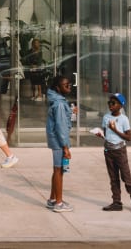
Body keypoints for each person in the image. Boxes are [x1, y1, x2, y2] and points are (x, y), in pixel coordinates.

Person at [100, 92, 131, 213]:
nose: (110, 105)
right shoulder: (106, 117)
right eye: (109, 103)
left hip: (120, 151)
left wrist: (115, 129)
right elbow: (106, 134)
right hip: (108, 151)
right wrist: (101, 135)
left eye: (113, 103)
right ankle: (116, 202)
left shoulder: (124, 119)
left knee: (126, 177)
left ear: (120, 105)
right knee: (113, 178)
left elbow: (128, 137)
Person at [45, 75, 73, 212]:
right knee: (59, 170)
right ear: (57, 88)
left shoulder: (58, 101)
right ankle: (59, 203)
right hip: (59, 142)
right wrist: (65, 147)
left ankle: (52, 199)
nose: (69, 86)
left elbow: (62, 120)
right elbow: (61, 127)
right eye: (65, 85)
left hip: (56, 141)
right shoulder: (60, 104)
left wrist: (71, 113)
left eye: (69, 83)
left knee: (57, 169)